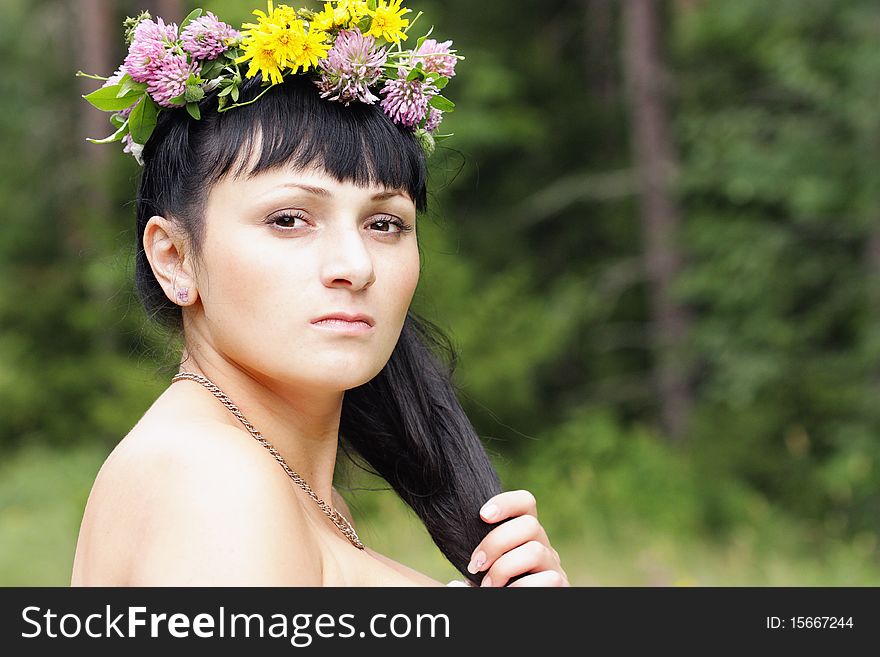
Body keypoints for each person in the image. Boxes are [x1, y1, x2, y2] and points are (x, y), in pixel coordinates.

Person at [70, 1, 568, 587]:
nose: (355, 266)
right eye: (288, 219)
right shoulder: (211, 478)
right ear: (175, 258)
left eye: (385, 224)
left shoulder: (293, 490)